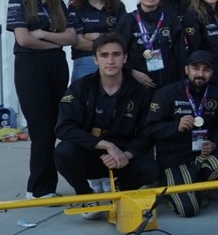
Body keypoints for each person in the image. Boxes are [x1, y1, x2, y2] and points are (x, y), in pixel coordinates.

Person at [55, 34, 158, 216]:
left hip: (123, 157)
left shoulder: (140, 92)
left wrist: (125, 154)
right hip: (91, 152)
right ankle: (85, 196)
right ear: (95, 59)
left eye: (116, 54)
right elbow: (64, 128)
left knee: (151, 170)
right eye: (104, 55)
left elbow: (147, 133)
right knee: (64, 152)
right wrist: (107, 146)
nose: (110, 61)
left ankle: (121, 189)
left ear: (125, 58)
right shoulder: (80, 88)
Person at [7, 0, 77, 199]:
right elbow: (24, 39)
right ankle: (38, 189)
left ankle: (45, 186)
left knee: (55, 125)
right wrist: (54, 43)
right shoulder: (18, 0)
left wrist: (43, 35)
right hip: (30, 67)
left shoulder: (58, 3)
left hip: (56, 67)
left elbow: (71, 38)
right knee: (41, 129)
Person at [144, 50, 218, 217]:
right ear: (186, 70)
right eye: (196, 68)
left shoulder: (215, 94)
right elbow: (150, 129)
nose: (200, 74)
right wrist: (176, 126)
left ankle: (197, 189)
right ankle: (169, 185)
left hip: (200, 156)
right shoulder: (167, 93)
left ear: (212, 72)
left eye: (206, 70)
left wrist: (214, 143)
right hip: (173, 160)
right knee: (188, 210)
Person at [115, 0, 184, 90]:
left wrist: (180, 83)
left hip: (168, 84)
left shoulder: (171, 19)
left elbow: (180, 53)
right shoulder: (127, 20)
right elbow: (117, 51)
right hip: (136, 84)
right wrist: (132, 72)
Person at [67, 0, 125, 83]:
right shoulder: (75, 7)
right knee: (82, 94)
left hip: (113, 61)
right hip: (85, 61)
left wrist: (97, 36)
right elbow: (78, 42)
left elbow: (122, 38)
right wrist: (108, 41)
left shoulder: (118, 6)